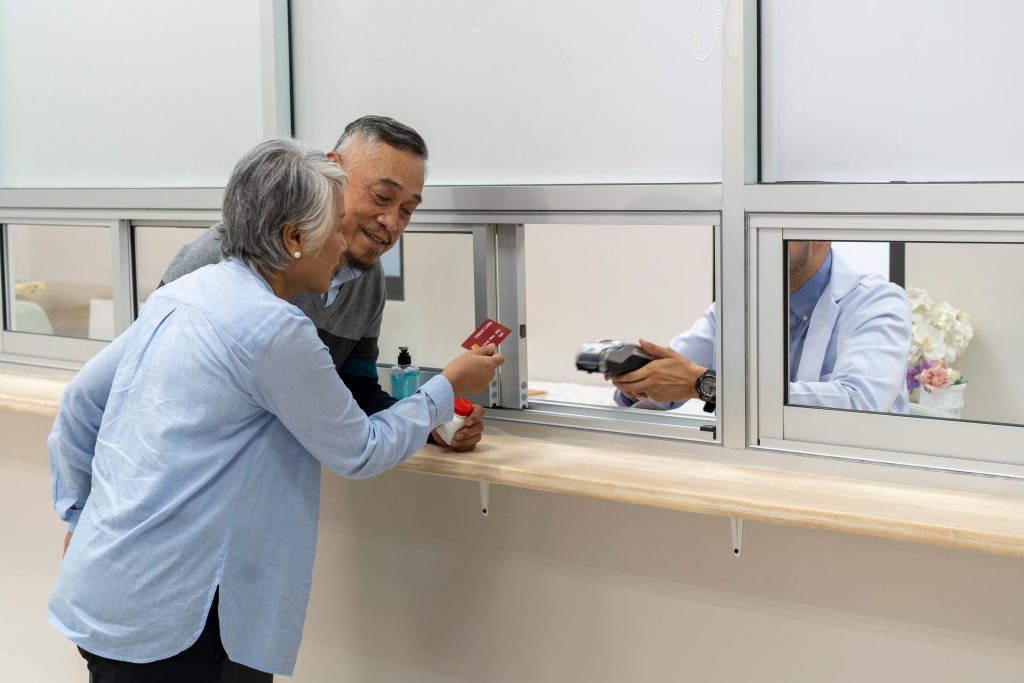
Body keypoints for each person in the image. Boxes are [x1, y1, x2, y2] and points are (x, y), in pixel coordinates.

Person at [48, 138, 504, 682]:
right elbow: (359, 450)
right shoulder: (275, 327)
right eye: (336, 226)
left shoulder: (191, 292)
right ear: (293, 238)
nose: (346, 244)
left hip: (120, 584)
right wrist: (448, 385)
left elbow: (80, 399)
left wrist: (80, 516)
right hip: (179, 612)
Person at [160, 116, 488, 455]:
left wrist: (431, 424)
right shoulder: (216, 265)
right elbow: (132, 382)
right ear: (332, 174)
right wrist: (444, 389)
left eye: (406, 210)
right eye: (381, 196)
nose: (391, 222)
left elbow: (354, 392)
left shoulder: (367, 279)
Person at [610, 241, 912, 414]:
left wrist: (705, 385)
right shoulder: (740, 303)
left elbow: (860, 402)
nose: (753, 240)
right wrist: (640, 380)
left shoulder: (877, 302)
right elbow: (679, 371)